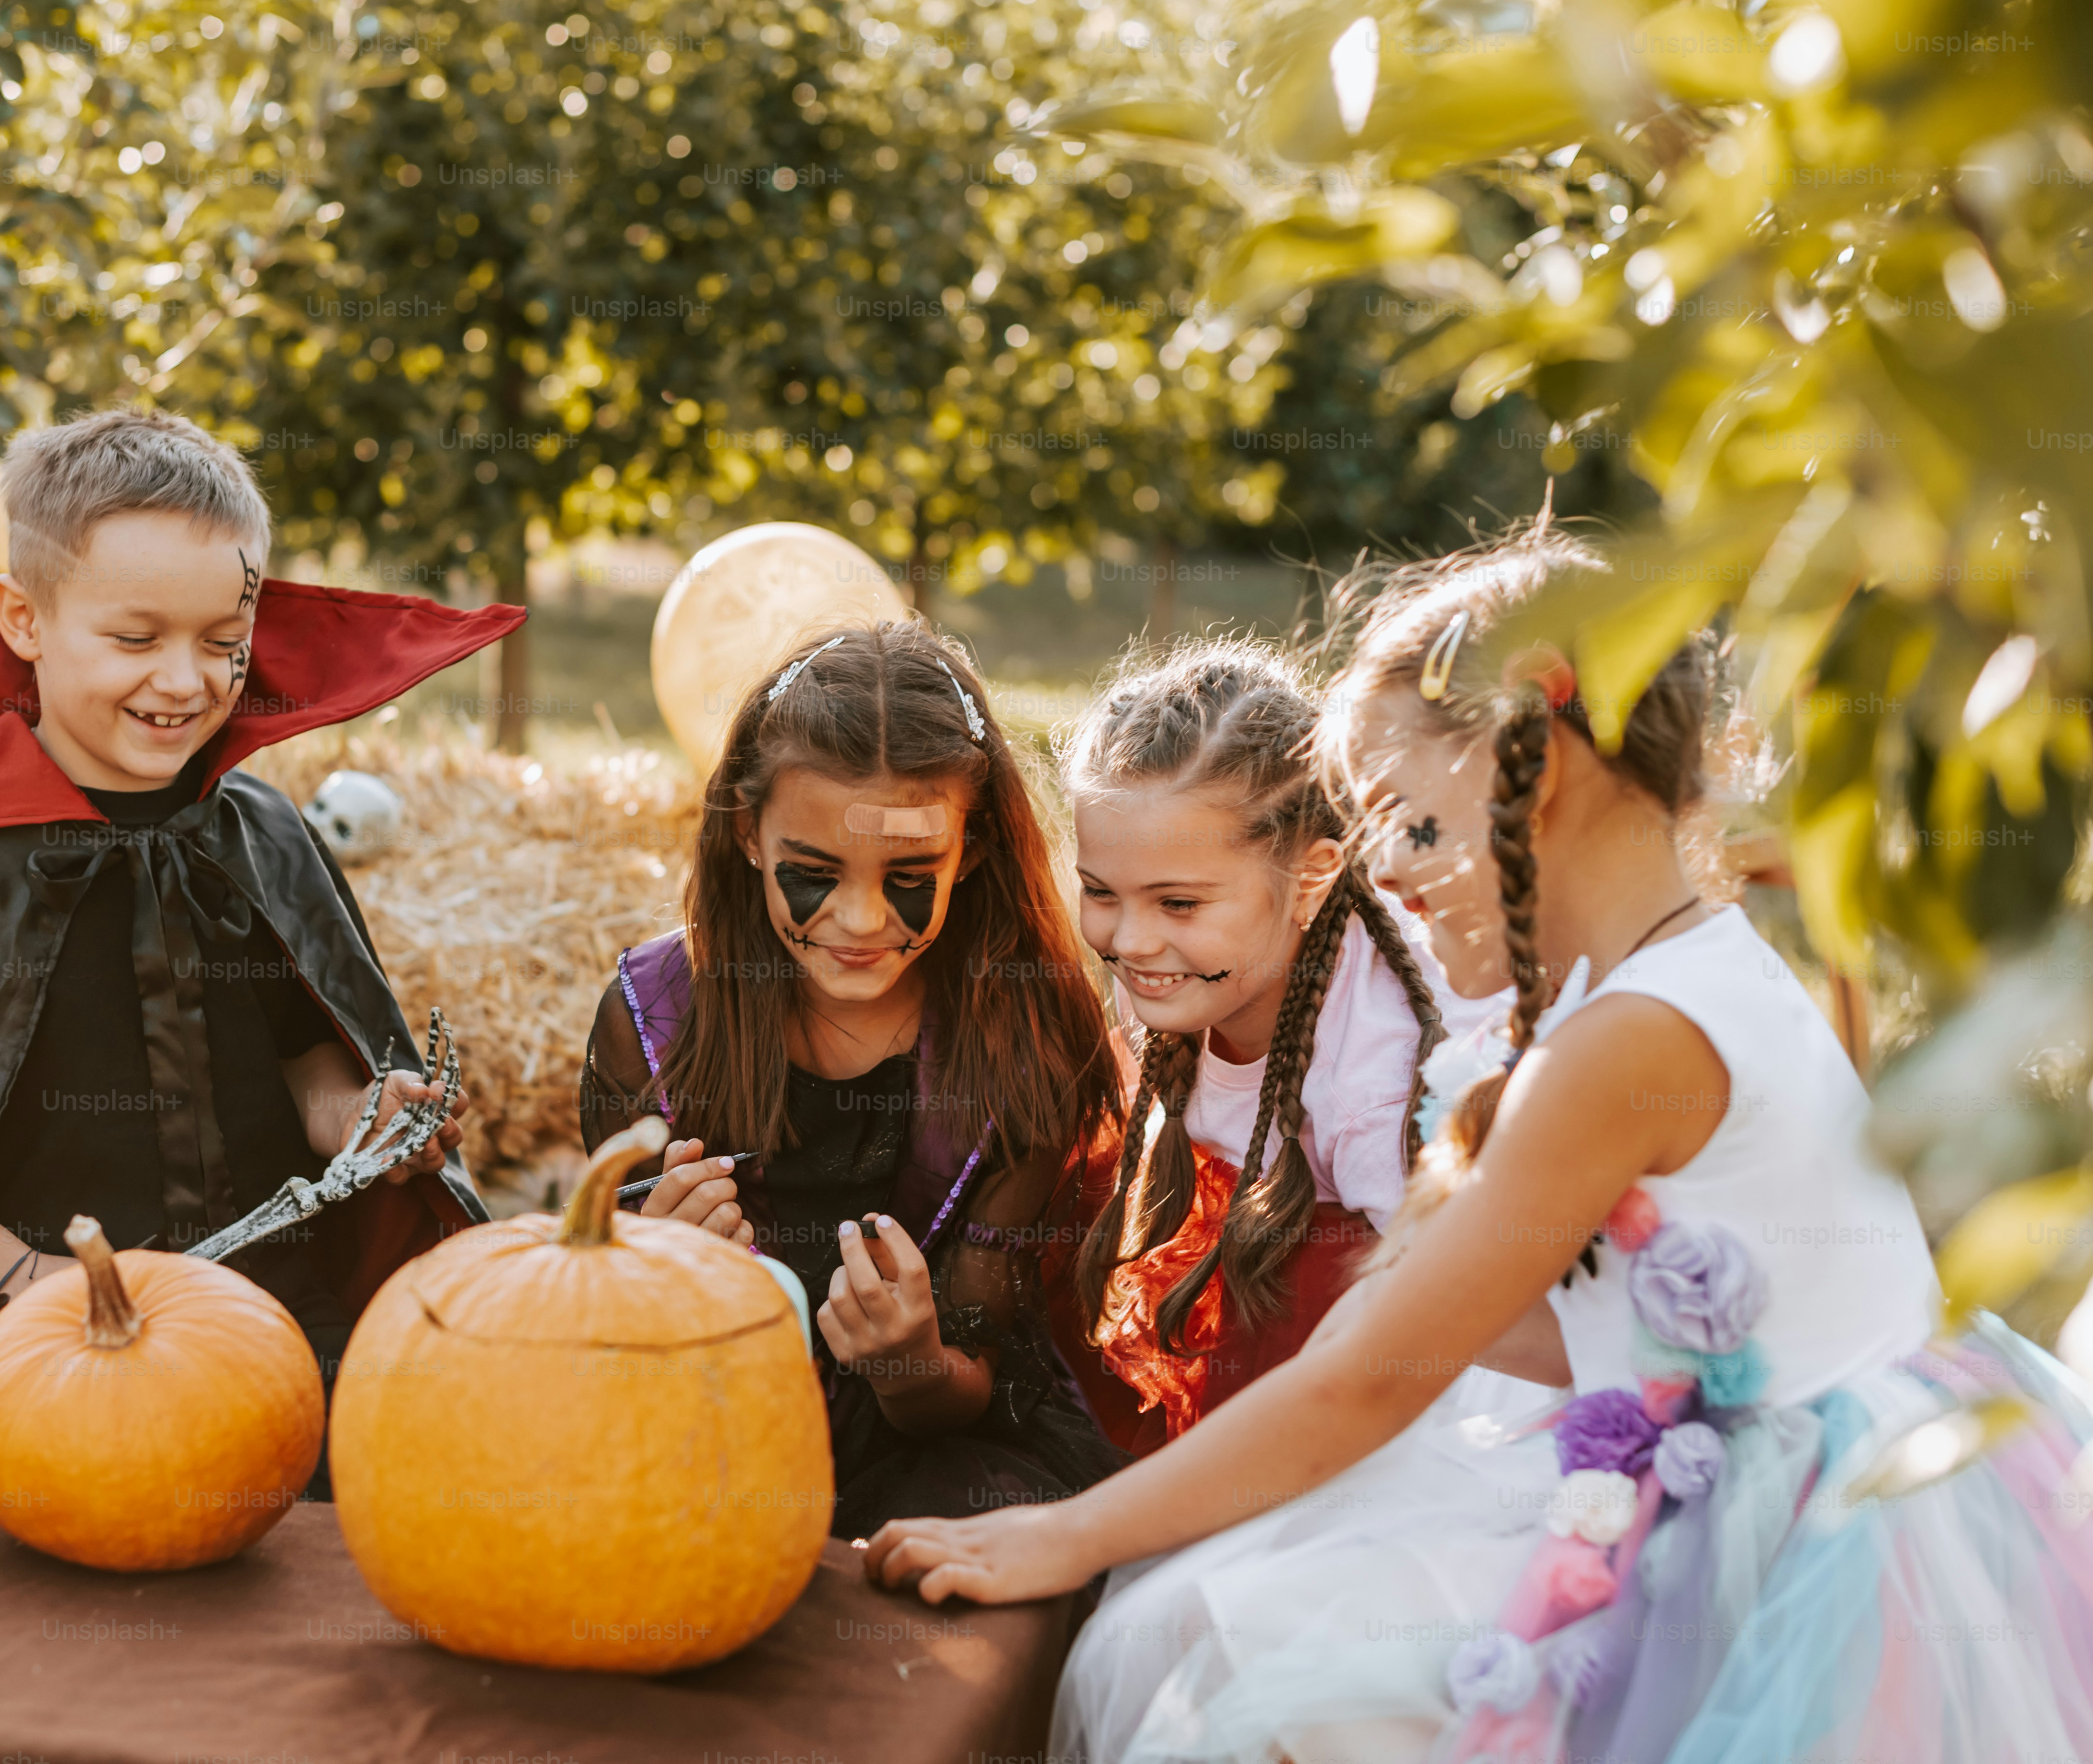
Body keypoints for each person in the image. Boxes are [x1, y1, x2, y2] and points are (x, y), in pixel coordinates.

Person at [866, 524, 2093, 1764]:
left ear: (1536, 770)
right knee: (1204, 1606)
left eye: (1410, 826)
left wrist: (1066, 1532)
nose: (1390, 882)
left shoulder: (1627, 1038)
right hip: (1718, 1431)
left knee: (1249, 1669)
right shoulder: (1655, 971)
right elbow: (1515, 1319)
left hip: (1791, 1533)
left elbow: (1372, 1380)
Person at [0, 408, 523, 1493]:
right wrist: (46, 1282)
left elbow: (308, 1062)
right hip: (35, 1330)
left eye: (222, 644)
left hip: (268, 1312)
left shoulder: (259, 838)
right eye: (136, 640)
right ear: (24, 618)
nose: (184, 681)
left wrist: (367, 1126)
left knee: (396, 1492)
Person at [577, 620, 1126, 1538]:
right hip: (698, 1411)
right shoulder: (651, 1021)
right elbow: (596, 1303)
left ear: (973, 848)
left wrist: (905, 1360)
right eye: (813, 873)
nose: (861, 918)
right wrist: (651, 1263)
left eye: (911, 874)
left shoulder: (1024, 1043)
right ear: (749, 834)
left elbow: (968, 1386)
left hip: (931, 1447)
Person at [1047, 638, 1496, 1459]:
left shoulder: (1380, 1083)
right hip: (1269, 1198)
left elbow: (1448, 1332)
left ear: (1314, 877)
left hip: (1401, 1353)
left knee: (1312, 1275)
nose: (1133, 939)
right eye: (1101, 892)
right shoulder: (1182, 964)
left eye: (1178, 903)